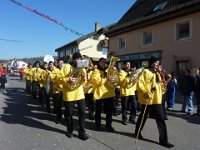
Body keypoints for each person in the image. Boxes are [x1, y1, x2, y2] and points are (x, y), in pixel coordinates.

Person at [134, 56, 174, 148]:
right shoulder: (146, 71)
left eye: (158, 63)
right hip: (148, 98)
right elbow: (140, 83)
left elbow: (158, 84)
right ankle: (137, 132)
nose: (158, 64)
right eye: (156, 62)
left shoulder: (158, 73)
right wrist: (144, 92)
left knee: (161, 119)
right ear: (152, 63)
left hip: (156, 99)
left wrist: (163, 86)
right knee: (143, 117)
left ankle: (164, 140)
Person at [58, 52, 88, 140]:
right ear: (74, 59)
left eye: (80, 59)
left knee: (82, 112)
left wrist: (84, 79)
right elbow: (58, 79)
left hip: (79, 92)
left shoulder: (82, 68)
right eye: (77, 59)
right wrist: (68, 79)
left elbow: (83, 82)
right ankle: (69, 129)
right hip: (69, 93)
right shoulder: (66, 67)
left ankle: (82, 131)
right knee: (69, 113)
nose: (79, 60)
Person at [91, 57, 116, 132]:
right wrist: (106, 79)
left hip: (109, 93)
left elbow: (115, 80)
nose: (104, 63)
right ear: (99, 63)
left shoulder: (109, 70)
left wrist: (115, 72)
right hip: (100, 94)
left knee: (109, 111)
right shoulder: (96, 71)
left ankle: (108, 125)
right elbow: (96, 81)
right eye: (102, 62)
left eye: (105, 62)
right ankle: (98, 125)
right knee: (98, 111)